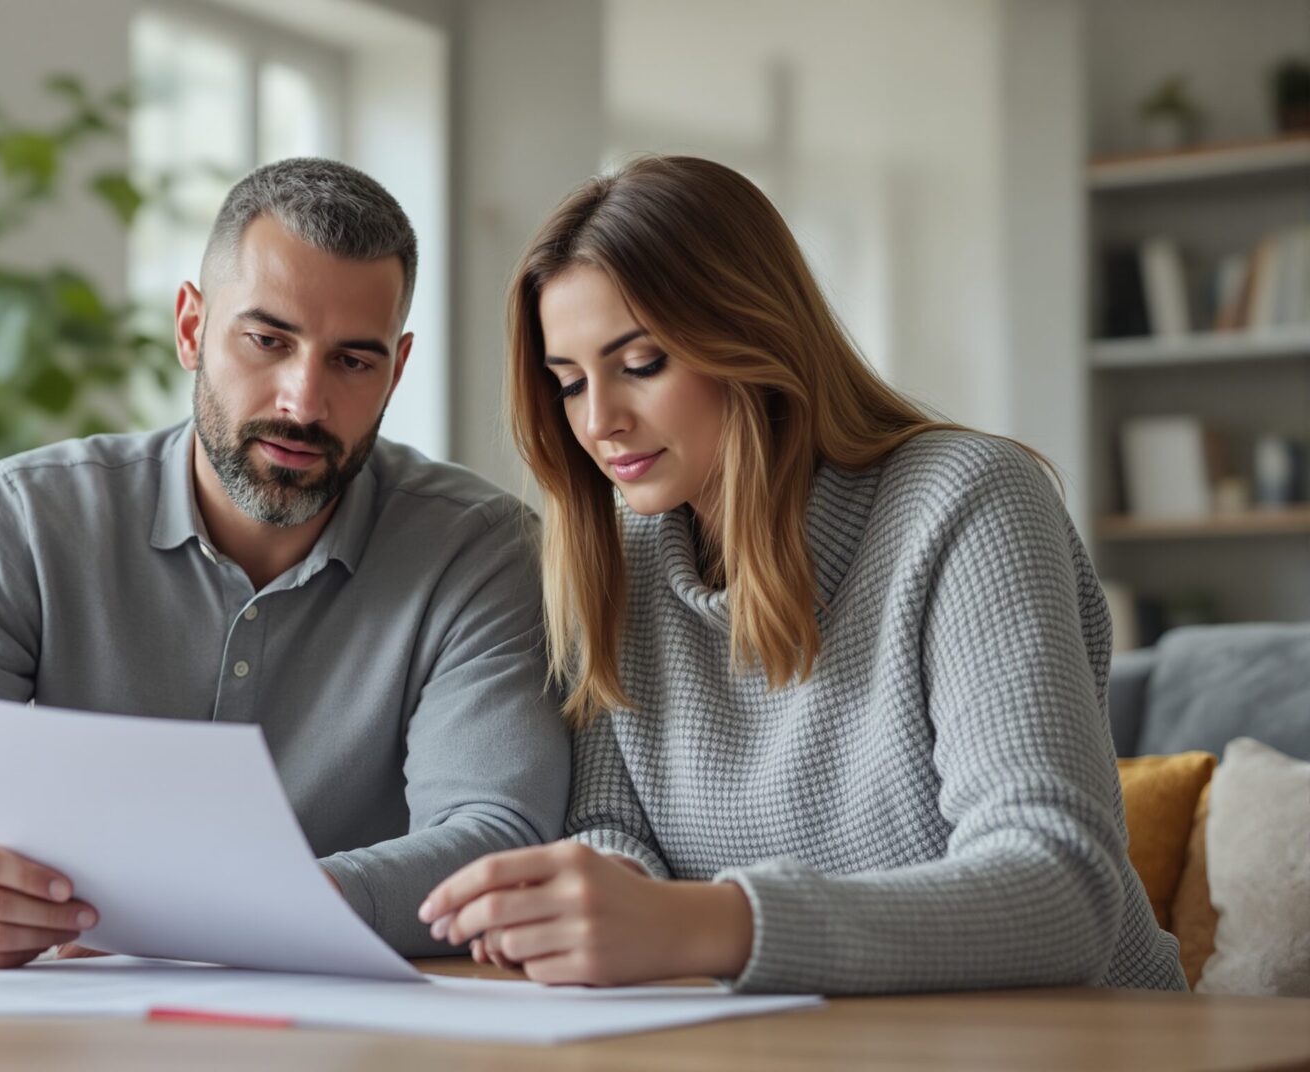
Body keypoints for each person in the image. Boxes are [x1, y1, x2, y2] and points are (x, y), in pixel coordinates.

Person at [417, 155, 1187, 994]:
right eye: (568, 384)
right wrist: (604, 901)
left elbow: (1060, 894)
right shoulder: (620, 558)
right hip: (788, 1037)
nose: (599, 420)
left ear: (752, 338)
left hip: (1074, 1037)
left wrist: (700, 926)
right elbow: (611, 821)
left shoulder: (968, 501)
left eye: (641, 364)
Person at [0, 158, 568, 967]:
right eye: (267, 340)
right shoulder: (29, 519)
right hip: (76, 1021)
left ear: (397, 371)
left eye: (352, 361)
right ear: (190, 328)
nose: (303, 402)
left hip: (357, 1025)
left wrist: (241, 910)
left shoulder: (481, 551)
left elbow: (497, 838)